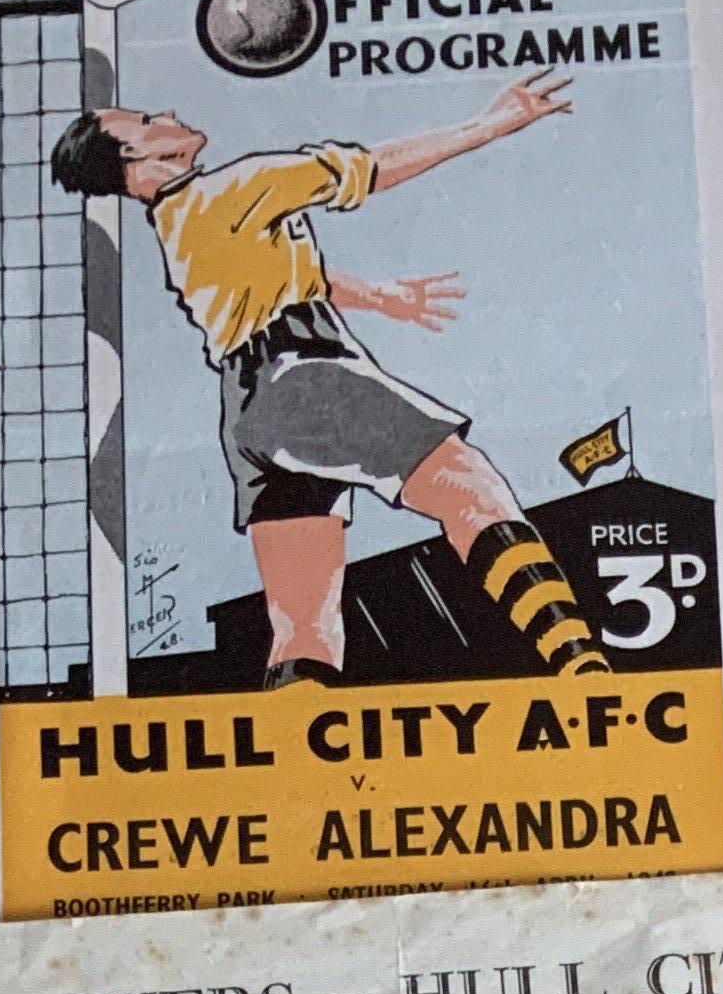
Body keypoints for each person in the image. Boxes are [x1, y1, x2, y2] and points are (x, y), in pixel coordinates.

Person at [44, 82, 609, 691]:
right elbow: (370, 168)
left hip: (248, 415)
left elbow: (295, 277)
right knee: (469, 488)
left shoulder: (180, 222)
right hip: (305, 380)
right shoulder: (232, 188)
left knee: (304, 630)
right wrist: (493, 122)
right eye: (146, 118)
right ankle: (584, 670)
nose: (170, 111)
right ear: (136, 157)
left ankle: (294, 738)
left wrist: (382, 298)